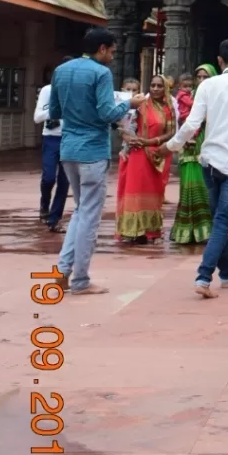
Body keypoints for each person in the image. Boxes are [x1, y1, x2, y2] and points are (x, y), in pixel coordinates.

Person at [164, 38, 228, 296]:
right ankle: (203, 277)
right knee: (221, 221)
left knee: (217, 220)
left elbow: (191, 124)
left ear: (219, 61)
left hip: (209, 160)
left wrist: (173, 145)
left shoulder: (207, 85)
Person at [48, 26, 137, 295]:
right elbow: (108, 112)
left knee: (80, 211)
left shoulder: (61, 71)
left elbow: (54, 111)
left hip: (68, 149)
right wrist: (131, 103)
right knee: (88, 216)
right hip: (92, 150)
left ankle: (63, 270)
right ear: (102, 49)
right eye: (112, 50)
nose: (112, 55)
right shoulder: (101, 73)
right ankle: (80, 279)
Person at [114, 74, 175, 243]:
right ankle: (131, 230)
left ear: (166, 89)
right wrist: (128, 138)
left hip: (156, 155)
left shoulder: (168, 108)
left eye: (159, 86)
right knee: (134, 191)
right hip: (137, 153)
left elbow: (171, 132)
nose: (155, 89)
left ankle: (151, 231)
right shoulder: (140, 105)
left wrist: (150, 141)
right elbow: (123, 123)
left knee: (153, 194)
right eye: (153, 85)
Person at [170, 63, 217, 245]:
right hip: (191, 145)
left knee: (208, 188)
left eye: (206, 77)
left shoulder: (216, 96)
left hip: (209, 144)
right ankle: (186, 231)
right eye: (199, 77)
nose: (202, 81)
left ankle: (206, 231)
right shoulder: (190, 96)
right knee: (189, 186)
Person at [34, 61, 71, 231]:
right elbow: (37, 117)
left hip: (70, 138)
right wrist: (55, 109)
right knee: (49, 177)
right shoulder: (47, 90)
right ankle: (44, 204)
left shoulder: (76, 91)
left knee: (64, 182)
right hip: (51, 138)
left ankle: (54, 220)